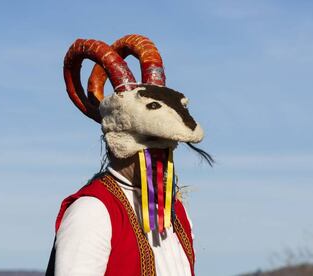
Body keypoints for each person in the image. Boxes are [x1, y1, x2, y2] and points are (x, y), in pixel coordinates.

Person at [46, 34, 212, 276]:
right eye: (152, 142)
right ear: (120, 143)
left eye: (169, 145)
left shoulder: (176, 211)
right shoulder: (92, 211)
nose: (163, 157)